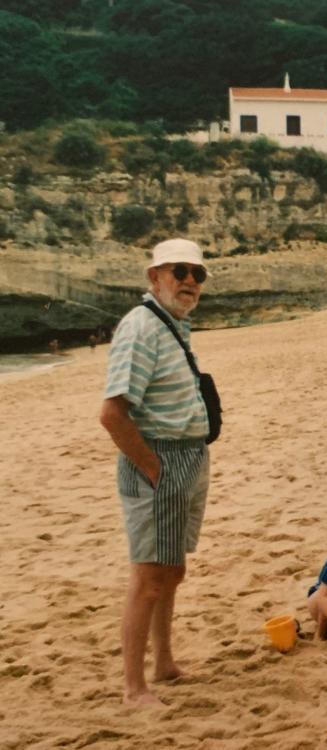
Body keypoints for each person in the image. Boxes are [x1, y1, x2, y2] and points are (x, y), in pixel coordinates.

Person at [99, 238, 213, 706]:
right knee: (148, 577)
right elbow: (112, 413)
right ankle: (133, 687)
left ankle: (164, 664)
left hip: (187, 458)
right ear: (155, 277)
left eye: (197, 274)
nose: (189, 280)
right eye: (178, 271)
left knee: (172, 570)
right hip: (160, 461)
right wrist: (154, 468)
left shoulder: (173, 323)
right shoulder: (141, 327)